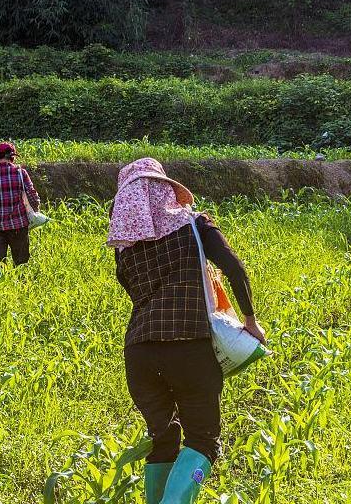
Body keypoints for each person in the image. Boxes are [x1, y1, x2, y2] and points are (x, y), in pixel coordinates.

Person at [107, 158, 264, 504]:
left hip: (139, 354)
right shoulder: (195, 225)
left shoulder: (125, 251)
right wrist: (250, 320)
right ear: (165, 189)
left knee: (164, 439)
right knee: (203, 440)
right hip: (188, 348)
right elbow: (234, 268)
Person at [0, 142, 41, 271]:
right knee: (21, 263)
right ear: (11, 157)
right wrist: (35, 211)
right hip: (17, 225)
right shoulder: (20, 173)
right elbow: (32, 195)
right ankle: (20, 286)